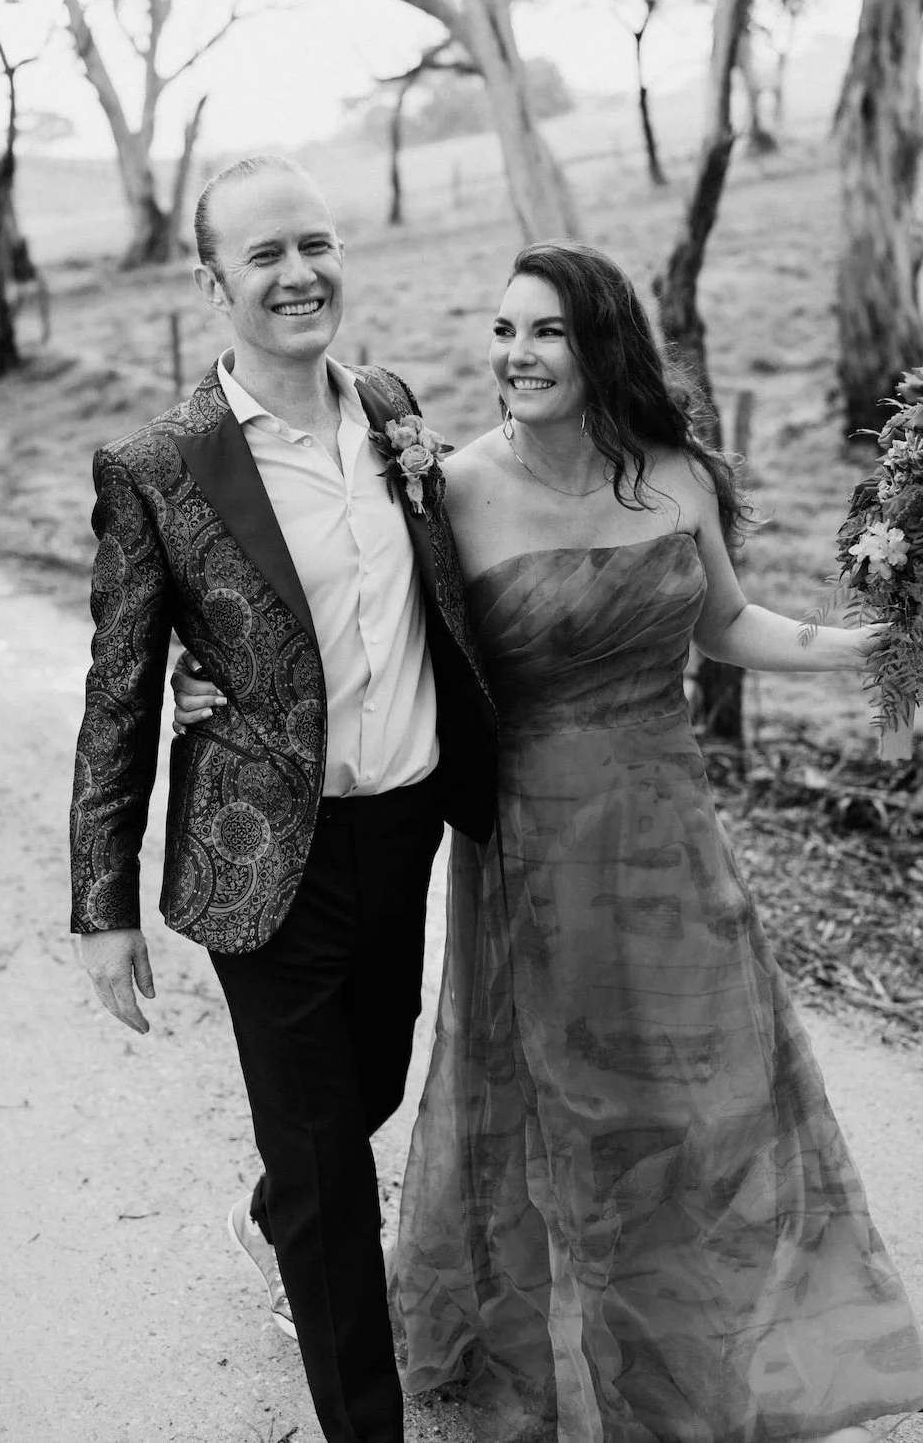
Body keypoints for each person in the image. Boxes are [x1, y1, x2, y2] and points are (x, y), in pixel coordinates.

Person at [176, 241, 923, 1443]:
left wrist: (876, 644)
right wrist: (200, 680)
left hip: (672, 838)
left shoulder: (675, 476)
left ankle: (694, 1349)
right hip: (534, 846)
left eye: (547, 333)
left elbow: (727, 625)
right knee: (571, 1112)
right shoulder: (450, 488)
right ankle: (580, 1370)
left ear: (602, 345)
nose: (515, 357)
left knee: (703, 1099)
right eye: (503, 331)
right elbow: (339, 612)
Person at [69, 153, 497, 1443]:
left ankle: (277, 1220)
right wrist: (102, 902)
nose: (300, 272)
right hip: (264, 858)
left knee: (367, 1081)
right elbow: (120, 689)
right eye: (264, 255)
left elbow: (440, 596)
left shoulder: (394, 409)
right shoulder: (158, 468)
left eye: (315, 243)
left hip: (405, 821)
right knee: (328, 1168)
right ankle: (365, 1416)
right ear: (213, 284)